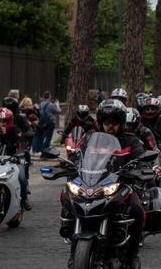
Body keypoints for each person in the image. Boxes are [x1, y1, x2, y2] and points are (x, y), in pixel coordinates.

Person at [60, 99, 145, 269]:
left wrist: (141, 168)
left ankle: (132, 255)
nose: (110, 127)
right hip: (91, 182)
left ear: (121, 124)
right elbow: (76, 155)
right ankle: (73, 249)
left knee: (137, 210)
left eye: (114, 123)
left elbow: (141, 159)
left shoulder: (131, 141)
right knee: (67, 198)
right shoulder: (89, 139)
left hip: (121, 184)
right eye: (107, 123)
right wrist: (68, 164)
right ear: (100, 123)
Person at [0, 107, 31, 211]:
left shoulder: (15, 130)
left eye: (3, 121)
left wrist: (20, 152)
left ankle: (24, 199)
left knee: (22, 177)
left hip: (13, 160)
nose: (1, 124)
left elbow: (22, 143)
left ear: (9, 121)